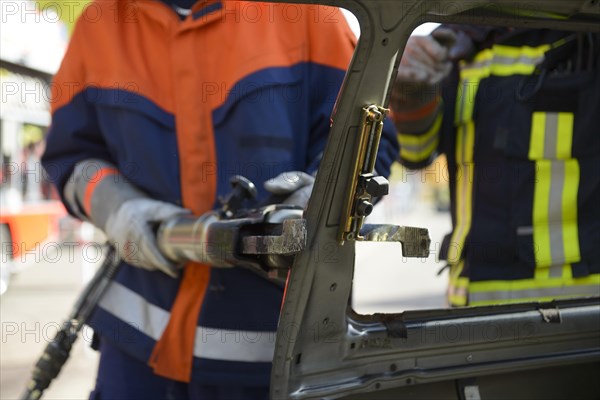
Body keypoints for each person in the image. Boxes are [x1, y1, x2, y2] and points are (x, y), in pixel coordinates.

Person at [41, 0, 399, 399]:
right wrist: (116, 207)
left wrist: (318, 196)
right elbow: (70, 157)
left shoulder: (308, 14)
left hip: (274, 361)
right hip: (135, 358)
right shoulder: (101, 24)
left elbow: (370, 134)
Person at [391, 25, 600, 307]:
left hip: (573, 308)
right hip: (469, 303)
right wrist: (409, 94)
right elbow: (415, 152)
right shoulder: (457, 44)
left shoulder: (585, 32)